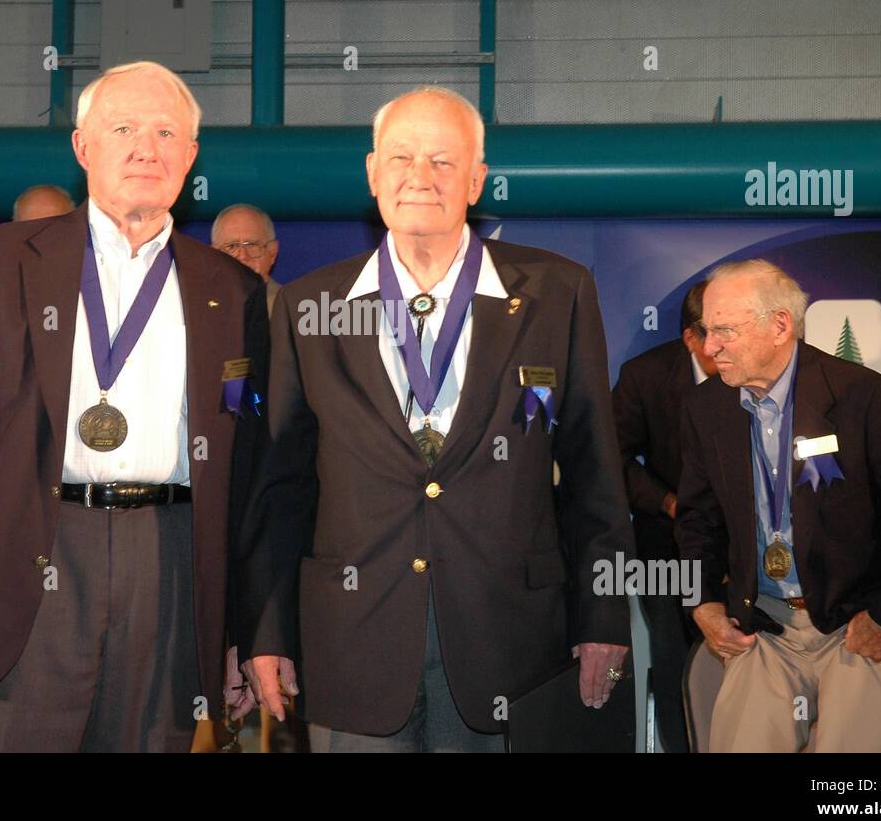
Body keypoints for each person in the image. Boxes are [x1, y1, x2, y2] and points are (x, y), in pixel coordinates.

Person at [234, 86, 633, 752]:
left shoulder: (558, 292)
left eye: (444, 162)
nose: (420, 177)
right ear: (372, 174)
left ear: (477, 180)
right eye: (402, 158)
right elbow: (282, 488)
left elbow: (597, 473)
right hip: (351, 645)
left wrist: (603, 614)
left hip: (508, 641)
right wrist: (269, 629)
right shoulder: (309, 306)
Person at [0, 61, 269, 752]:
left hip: (171, 565)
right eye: (122, 127)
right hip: (26, 556)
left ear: (189, 157)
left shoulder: (233, 292)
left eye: (166, 132)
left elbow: (247, 477)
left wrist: (236, 628)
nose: (144, 147)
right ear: (82, 147)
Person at [677, 259, 881, 752]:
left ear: (780, 325)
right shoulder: (706, 408)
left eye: (725, 331)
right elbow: (696, 520)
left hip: (858, 624)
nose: (710, 348)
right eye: (707, 331)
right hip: (764, 628)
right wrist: (702, 603)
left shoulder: (866, 398)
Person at [612, 281, 717, 752]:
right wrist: (667, 502)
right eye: (721, 331)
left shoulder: (767, 372)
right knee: (677, 666)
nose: (731, 343)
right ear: (692, 339)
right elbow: (609, 460)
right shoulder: (645, 377)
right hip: (667, 546)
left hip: (755, 550)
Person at [212, 204, 281, 315]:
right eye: (232, 246)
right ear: (213, 256)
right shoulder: (194, 308)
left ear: (272, 253)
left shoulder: (295, 309)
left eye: (252, 245)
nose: (242, 256)